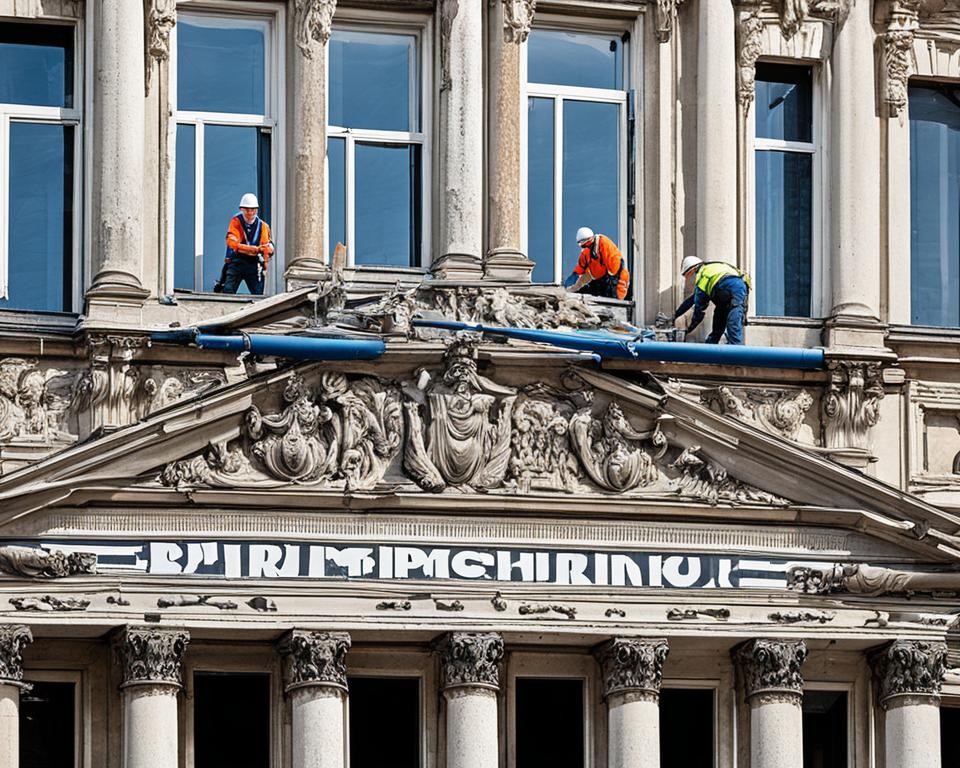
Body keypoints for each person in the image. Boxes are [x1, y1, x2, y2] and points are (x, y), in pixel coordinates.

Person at [672, 255, 752, 345]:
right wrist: (677, 314)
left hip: (732, 292)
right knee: (720, 323)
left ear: (693, 269)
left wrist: (689, 328)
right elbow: (692, 300)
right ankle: (713, 349)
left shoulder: (703, 277)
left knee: (733, 328)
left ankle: (735, 355)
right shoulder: (715, 267)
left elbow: (699, 308)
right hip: (736, 292)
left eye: (690, 273)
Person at [214, 193, 274, 295]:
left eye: (253, 210)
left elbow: (267, 248)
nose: (250, 213)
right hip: (237, 261)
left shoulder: (263, 226)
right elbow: (232, 243)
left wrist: (268, 251)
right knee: (228, 291)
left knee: (258, 294)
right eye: (247, 210)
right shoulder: (236, 222)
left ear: (256, 210)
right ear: (241, 209)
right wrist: (255, 249)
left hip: (254, 263)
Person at [562, 227, 630, 301]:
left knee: (612, 296)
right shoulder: (587, 252)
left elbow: (618, 271)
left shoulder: (605, 245)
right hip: (599, 280)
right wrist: (572, 278)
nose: (584, 247)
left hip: (613, 279)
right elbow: (580, 269)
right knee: (586, 293)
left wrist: (617, 298)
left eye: (584, 244)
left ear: (589, 240)